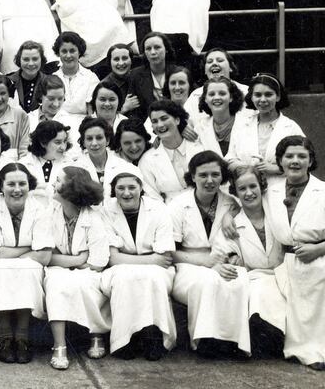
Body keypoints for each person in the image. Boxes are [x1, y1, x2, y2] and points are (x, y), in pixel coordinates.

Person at [169, 151, 249, 358]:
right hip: (187, 265)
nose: (210, 180)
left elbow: (236, 238)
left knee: (238, 279)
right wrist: (205, 262)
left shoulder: (231, 203)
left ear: (222, 176)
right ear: (193, 177)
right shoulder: (178, 205)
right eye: (203, 175)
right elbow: (169, 252)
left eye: (215, 174)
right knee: (208, 281)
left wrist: (232, 256)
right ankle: (204, 340)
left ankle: (234, 342)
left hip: (221, 260)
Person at [260, 136, 325, 369]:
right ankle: (297, 349)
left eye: (301, 156)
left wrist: (318, 248)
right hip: (285, 260)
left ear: (311, 161)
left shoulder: (322, 190)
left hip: (318, 256)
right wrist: (228, 216)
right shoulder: (271, 192)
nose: (295, 161)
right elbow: (244, 207)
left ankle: (317, 351)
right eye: (289, 156)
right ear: (280, 161)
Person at [0, 162, 52, 364]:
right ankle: (5, 337)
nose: (17, 189)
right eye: (11, 184)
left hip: (28, 265)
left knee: (27, 270)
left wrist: (14, 256)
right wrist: (28, 249)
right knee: (1, 270)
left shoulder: (40, 209)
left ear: (30, 185)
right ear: (1, 186)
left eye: (22, 184)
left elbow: (45, 256)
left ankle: (22, 338)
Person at [100, 171, 177, 361]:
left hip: (156, 270)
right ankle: (125, 340)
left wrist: (135, 259)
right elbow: (113, 259)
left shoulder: (158, 209)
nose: (126, 193)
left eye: (132, 187)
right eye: (121, 188)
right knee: (124, 279)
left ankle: (153, 337)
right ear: (113, 190)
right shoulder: (106, 210)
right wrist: (151, 260)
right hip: (122, 268)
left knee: (152, 278)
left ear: (141, 188)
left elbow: (165, 257)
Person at [212, 165, 286, 359]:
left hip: (284, 273)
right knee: (260, 292)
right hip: (256, 276)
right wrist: (231, 258)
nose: (249, 193)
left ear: (262, 187)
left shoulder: (278, 214)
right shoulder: (233, 224)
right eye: (242, 189)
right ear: (235, 193)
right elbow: (222, 251)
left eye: (253, 186)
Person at [42, 166, 110, 370]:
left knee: (85, 283)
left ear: (72, 187)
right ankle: (59, 346)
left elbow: (98, 262)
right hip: (60, 270)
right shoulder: (49, 213)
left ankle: (96, 335)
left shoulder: (94, 218)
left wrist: (67, 261)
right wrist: (78, 259)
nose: (53, 184)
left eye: (58, 181)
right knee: (56, 283)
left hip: (89, 271)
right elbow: (46, 256)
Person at [227, 73, 303, 175]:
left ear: (278, 97)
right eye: (258, 95)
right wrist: (246, 168)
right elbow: (230, 158)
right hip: (247, 182)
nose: (262, 100)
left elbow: (304, 161)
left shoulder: (291, 128)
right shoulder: (241, 125)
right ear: (252, 97)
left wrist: (276, 168)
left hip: (280, 183)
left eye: (268, 94)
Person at [139, 100, 204, 202]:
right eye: (155, 121)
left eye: (164, 118)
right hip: (169, 209)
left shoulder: (201, 147)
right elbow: (152, 198)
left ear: (177, 120)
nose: (160, 125)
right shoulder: (147, 160)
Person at [73, 117, 134, 197]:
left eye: (99, 138)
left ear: (107, 140)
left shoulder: (124, 167)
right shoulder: (75, 168)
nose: (94, 143)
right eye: (89, 139)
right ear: (83, 142)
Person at [127, 32, 179, 122]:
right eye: (148, 49)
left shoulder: (178, 73)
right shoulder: (135, 75)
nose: (153, 52)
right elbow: (134, 110)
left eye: (157, 47)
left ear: (166, 49)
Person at [184, 48, 248, 122]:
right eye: (209, 61)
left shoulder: (246, 92)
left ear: (230, 67)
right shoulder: (195, 96)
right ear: (205, 70)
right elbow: (186, 122)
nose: (214, 63)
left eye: (220, 60)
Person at [52, 32, 100, 123]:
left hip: (83, 125)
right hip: (56, 125)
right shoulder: (53, 78)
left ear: (79, 52)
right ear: (58, 53)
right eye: (64, 51)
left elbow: (92, 112)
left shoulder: (91, 78)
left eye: (72, 51)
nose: (68, 55)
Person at [20, 120, 73, 194]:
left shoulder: (71, 164)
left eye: (65, 141)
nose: (63, 147)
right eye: (58, 142)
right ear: (43, 143)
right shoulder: (23, 164)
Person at [194, 77, 244, 157]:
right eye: (211, 94)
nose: (216, 97)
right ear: (205, 99)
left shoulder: (246, 124)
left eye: (222, 93)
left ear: (231, 98)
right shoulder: (200, 128)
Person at [8, 41, 50, 113]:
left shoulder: (49, 82)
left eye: (35, 59)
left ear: (41, 60)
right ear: (19, 60)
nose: (31, 63)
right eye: (26, 59)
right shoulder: (8, 81)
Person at [101, 44, 138, 113]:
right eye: (116, 59)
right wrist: (124, 109)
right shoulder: (104, 86)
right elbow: (103, 116)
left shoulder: (138, 77)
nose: (121, 63)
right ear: (110, 62)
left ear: (131, 60)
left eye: (125, 58)